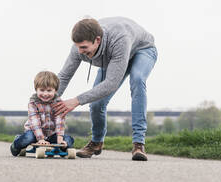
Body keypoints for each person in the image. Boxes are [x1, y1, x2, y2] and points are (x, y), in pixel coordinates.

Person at [53, 17, 157, 161]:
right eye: (78, 47)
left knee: (137, 79)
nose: (80, 51)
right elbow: (64, 76)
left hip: (142, 49)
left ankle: (138, 144)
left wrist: (76, 100)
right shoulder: (78, 48)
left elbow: (111, 83)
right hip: (112, 59)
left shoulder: (120, 39)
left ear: (97, 40)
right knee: (96, 103)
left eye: (84, 47)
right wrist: (46, 103)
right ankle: (96, 143)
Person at [10, 71, 74, 156]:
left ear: (55, 90)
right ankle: (16, 143)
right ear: (36, 89)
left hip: (51, 133)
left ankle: (62, 148)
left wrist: (60, 138)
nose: (45, 94)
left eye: (49, 90)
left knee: (69, 140)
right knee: (27, 138)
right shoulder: (33, 103)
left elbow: (60, 121)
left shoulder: (58, 103)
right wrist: (40, 139)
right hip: (34, 132)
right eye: (42, 90)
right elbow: (34, 122)